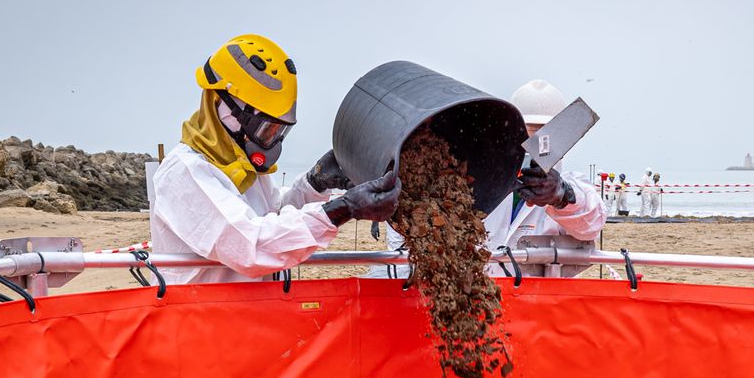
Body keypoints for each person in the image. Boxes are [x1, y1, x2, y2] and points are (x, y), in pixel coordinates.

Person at [150, 35, 401, 283]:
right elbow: (252, 246)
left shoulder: (241, 168)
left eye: (279, 131)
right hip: (202, 316)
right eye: (266, 129)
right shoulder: (185, 172)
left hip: (246, 314)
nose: (272, 141)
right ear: (225, 110)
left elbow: (275, 217)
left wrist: (314, 184)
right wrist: (343, 209)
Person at [380, 79, 606, 279]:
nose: (535, 147)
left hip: (536, 309)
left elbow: (592, 223)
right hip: (477, 296)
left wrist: (562, 195)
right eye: (528, 136)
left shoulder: (573, 186)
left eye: (544, 137)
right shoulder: (476, 180)